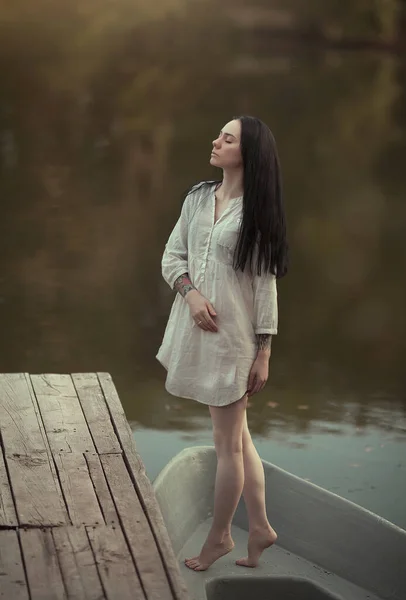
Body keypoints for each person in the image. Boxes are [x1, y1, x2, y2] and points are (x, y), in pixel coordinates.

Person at [156, 115, 288, 571]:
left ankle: (218, 539)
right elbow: (172, 257)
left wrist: (264, 351)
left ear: (246, 155)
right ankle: (260, 528)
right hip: (198, 333)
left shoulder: (258, 214)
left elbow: (264, 288)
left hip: (234, 342)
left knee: (228, 445)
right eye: (219, 134)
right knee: (240, 438)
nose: (215, 141)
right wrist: (190, 293)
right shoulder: (197, 198)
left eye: (227, 139)